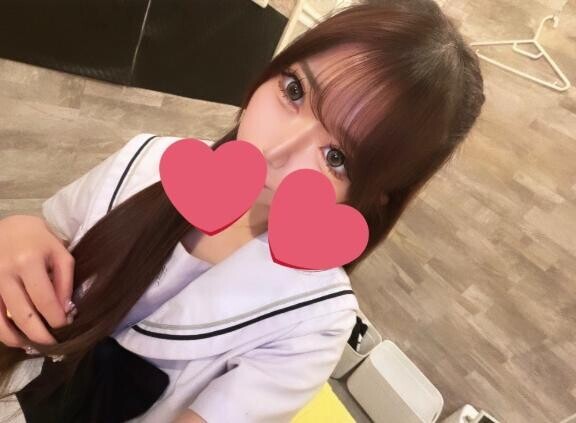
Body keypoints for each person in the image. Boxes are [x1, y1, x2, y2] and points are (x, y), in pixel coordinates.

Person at [0, 0, 485, 421]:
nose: (276, 149)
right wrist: (19, 235)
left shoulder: (313, 323)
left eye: (336, 156)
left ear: (376, 194)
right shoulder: (152, 157)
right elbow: (51, 234)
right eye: (294, 91)